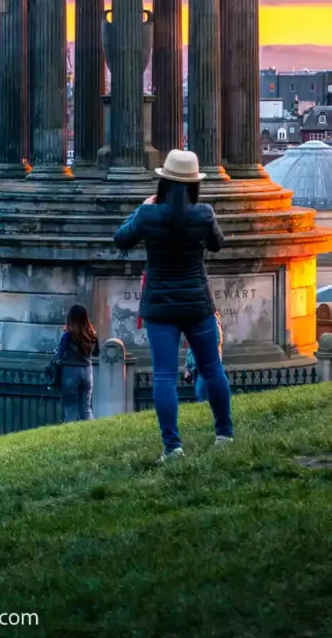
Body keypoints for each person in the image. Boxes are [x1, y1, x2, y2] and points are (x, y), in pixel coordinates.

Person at [114, 150, 233, 459]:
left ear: (163, 180)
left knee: (165, 375)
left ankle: (172, 447)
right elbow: (218, 244)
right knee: (212, 369)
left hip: (160, 306)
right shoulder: (203, 213)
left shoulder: (148, 215)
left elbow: (121, 239)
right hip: (197, 303)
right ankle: (224, 435)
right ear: (194, 184)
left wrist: (140, 210)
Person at [55, 304, 99, 423]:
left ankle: (71, 436)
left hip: (70, 372)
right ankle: (92, 433)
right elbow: (96, 353)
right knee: (86, 408)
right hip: (87, 372)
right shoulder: (92, 335)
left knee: (71, 409)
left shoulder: (68, 336)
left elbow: (59, 355)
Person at [184, 311, 225, 402]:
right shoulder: (191, 320)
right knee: (201, 391)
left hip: (206, 362)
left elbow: (217, 339)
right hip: (194, 364)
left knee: (200, 393)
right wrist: (187, 368)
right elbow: (190, 347)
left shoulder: (211, 318)